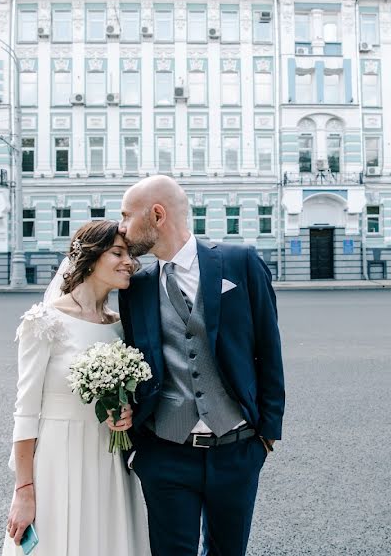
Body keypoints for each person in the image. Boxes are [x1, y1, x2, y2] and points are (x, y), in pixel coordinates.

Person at [116, 175, 285, 556]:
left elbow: (269, 350)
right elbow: (132, 359)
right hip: (165, 452)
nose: (121, 228)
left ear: (157, 215)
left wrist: (267, 435)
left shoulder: (240, 263)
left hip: (237, 449)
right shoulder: (137, 287)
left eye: (126, 215)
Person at [2, 220, 150, 555]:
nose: (130, 263)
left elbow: (127, 392)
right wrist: (24, 489)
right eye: (118, 253)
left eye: (131, 255)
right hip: (58, 456)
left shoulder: (120, 326)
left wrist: (125, 411)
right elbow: (25, 411)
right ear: (92, 257)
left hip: (108, 456)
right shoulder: (44, 321)